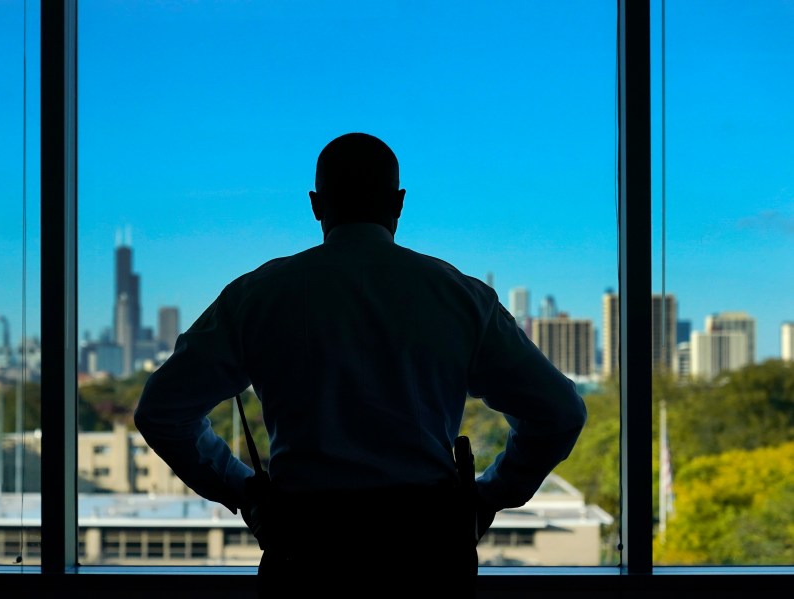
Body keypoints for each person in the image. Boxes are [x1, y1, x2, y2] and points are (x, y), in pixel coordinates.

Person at [134, 132, 587, 597]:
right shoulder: (459, 296)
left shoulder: (257, 295)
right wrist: (492, 494)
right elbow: (559, 412)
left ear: (315, 204)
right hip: (426, 560)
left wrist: (241, 488)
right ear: (399, 202)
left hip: (305, 556)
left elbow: (161, 411)